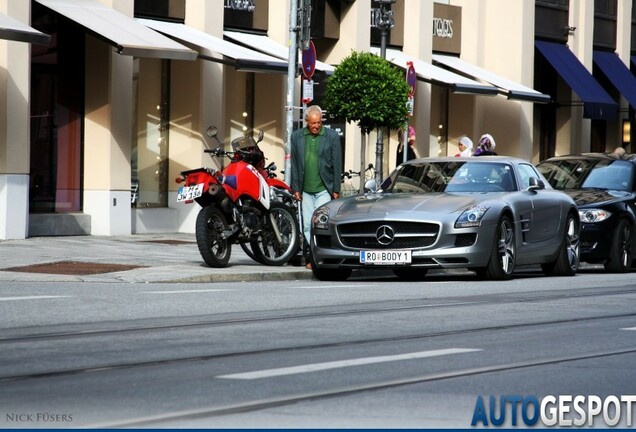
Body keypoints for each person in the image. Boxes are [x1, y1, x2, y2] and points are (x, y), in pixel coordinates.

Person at [290, 105, 343, 269]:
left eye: (319, 122)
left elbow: (337, 163)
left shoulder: (332, 136)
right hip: (305, 189)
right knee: (306, 225)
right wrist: (296, 188)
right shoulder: (297, 137)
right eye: (313, 123)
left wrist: (336, 189)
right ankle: (311, 256)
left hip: (324, 189)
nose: (316, 126)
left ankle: (320, 257)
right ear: (307, 121)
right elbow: (295, 164)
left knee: (321, 224)